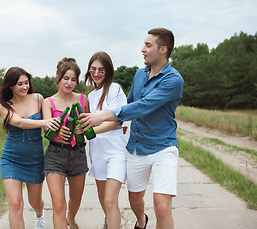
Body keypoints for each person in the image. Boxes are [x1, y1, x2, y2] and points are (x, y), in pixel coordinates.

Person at [79, 28, 184, 229]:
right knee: (135, 201)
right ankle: (141, 220)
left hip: (164, 147)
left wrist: (101, 117)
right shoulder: (139, 74)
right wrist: (118, 124)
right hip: (136, 147)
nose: (142, 49)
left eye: (147, 45)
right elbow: (129, 107)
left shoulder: (173, 80)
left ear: (163, 49)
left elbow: (142, 106)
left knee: (162, 208)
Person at [0, 67, 60, 229]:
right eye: (19, 84)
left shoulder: (38, 99)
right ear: (10, 86)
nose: (24, 87)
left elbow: (49, 127)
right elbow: (18, 122)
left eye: (26, 83)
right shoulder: (4, 105)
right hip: (11, 158)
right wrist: (44, 122)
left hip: (35, 158)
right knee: (15, 204)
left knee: (35, 202)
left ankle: (39, 214)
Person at [42, 57, 89, 229]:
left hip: (78, 154)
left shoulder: (83, 100)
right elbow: (47, 130)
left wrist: (82, 130)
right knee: (58, 204)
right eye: (66, 78)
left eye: (73, 79)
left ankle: (70, 218)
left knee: (76, 199)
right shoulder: (48, 102)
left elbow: (90, 123)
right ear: (58, 78)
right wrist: (56, 132)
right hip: (55, 155)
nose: (69, 83)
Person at [82, 51, 127, 229]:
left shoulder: (115, 89)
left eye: (101, 70)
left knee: (110, 199)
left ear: (108, 71)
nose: (97, 73)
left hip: (116, 152)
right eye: (93, 69)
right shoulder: (90, 96)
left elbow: (118, 121)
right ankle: (110, 222)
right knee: (102, 198)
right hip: (97, 152)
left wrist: (91, 129)